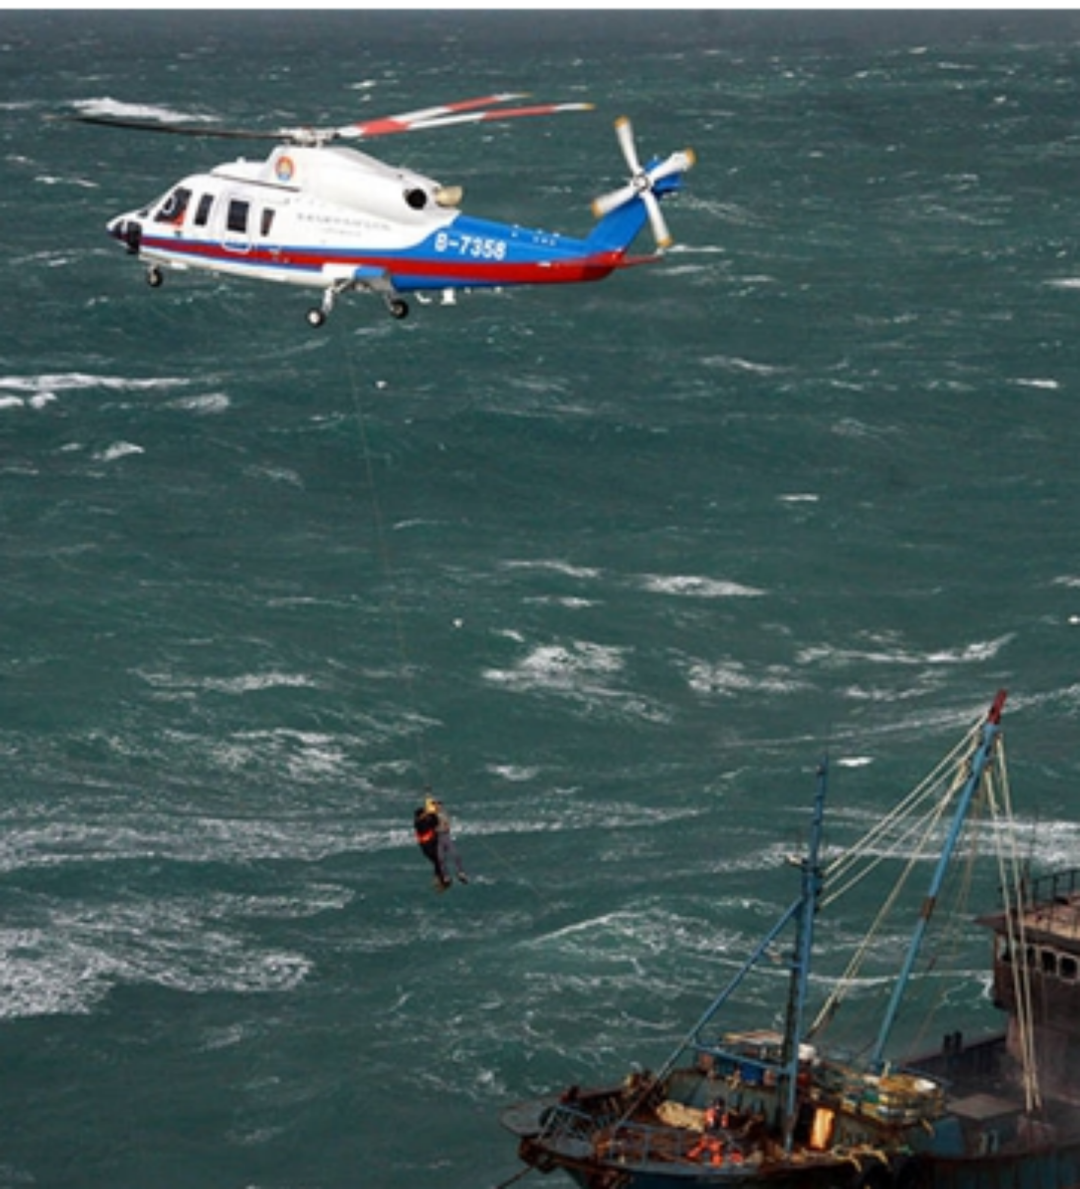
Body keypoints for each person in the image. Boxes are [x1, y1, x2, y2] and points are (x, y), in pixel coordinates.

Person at [430, 795, 468, 884]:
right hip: (438, 838)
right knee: (441, 858)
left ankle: (461, 872)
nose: (437, 806)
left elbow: (446, 827)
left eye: (438, 804)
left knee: (455, 854)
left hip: (445, 836)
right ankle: (446, 875)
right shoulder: (432, 816)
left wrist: (438, 828)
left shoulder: (443, 814)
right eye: (435, 804)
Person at [414, 800, 450, 891]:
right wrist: (428, 811)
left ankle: (440, 880)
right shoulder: (418, 823)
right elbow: (423, 820)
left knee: (439, 861)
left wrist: (435, 809)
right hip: (427, 846)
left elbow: (436, 821)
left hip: (433, 842)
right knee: (438, 860)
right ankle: (440, 880)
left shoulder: (431, 818)